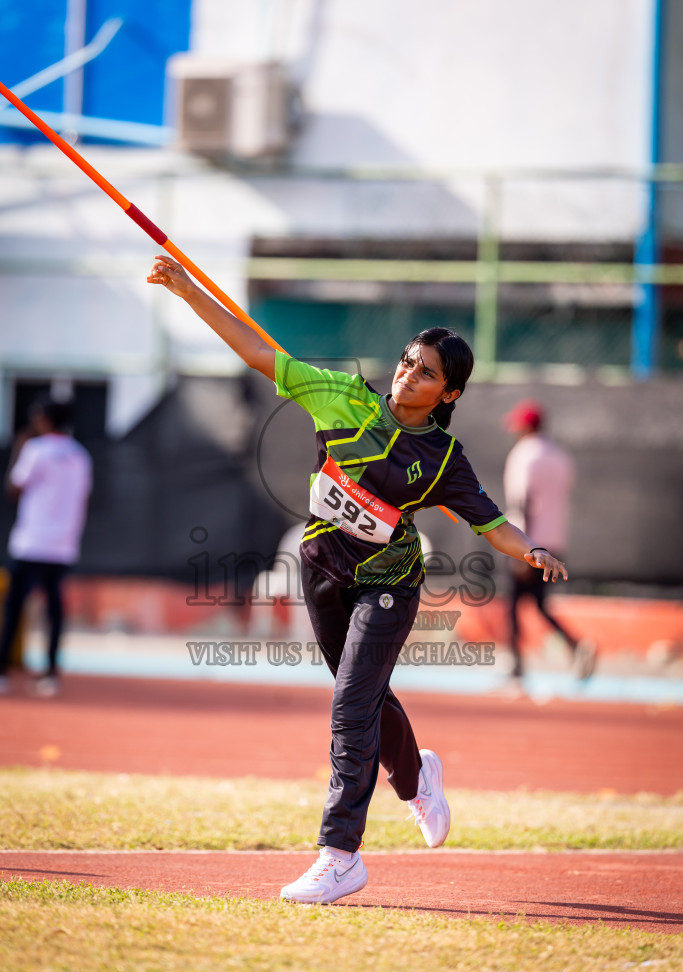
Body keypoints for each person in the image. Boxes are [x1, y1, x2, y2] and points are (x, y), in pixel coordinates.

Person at [147, 253, 568, 905]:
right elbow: (257, 350)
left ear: (448, 394)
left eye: (425, 374)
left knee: (349, 705)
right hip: (319, 568)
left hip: (390, 581)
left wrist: (530, 550)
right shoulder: (340, 397)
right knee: (363, 697)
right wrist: (186, 290)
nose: (407, 376)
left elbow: (491, 525)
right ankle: (417, 776)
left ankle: (339, 854)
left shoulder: (443, 459)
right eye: (406, 362)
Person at [502, 400, 596, 694]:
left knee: (514, 606)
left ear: (526, 426)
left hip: (529, 543)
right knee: (537, 604)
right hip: (554, 542)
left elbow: (523, 501)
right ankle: (576, 646)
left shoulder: (524, 455)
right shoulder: (560, 456)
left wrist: (523, 550)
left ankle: (516, 672)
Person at [0, 397, 92, 698]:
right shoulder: (80, 456)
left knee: (14, 606)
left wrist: (18, 449)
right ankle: (51, 673)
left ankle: (2, 671)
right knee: (54, 607)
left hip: (31, 541)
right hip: (63, 543)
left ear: (46, 421)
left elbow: (14, 488)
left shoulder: (35, 450)